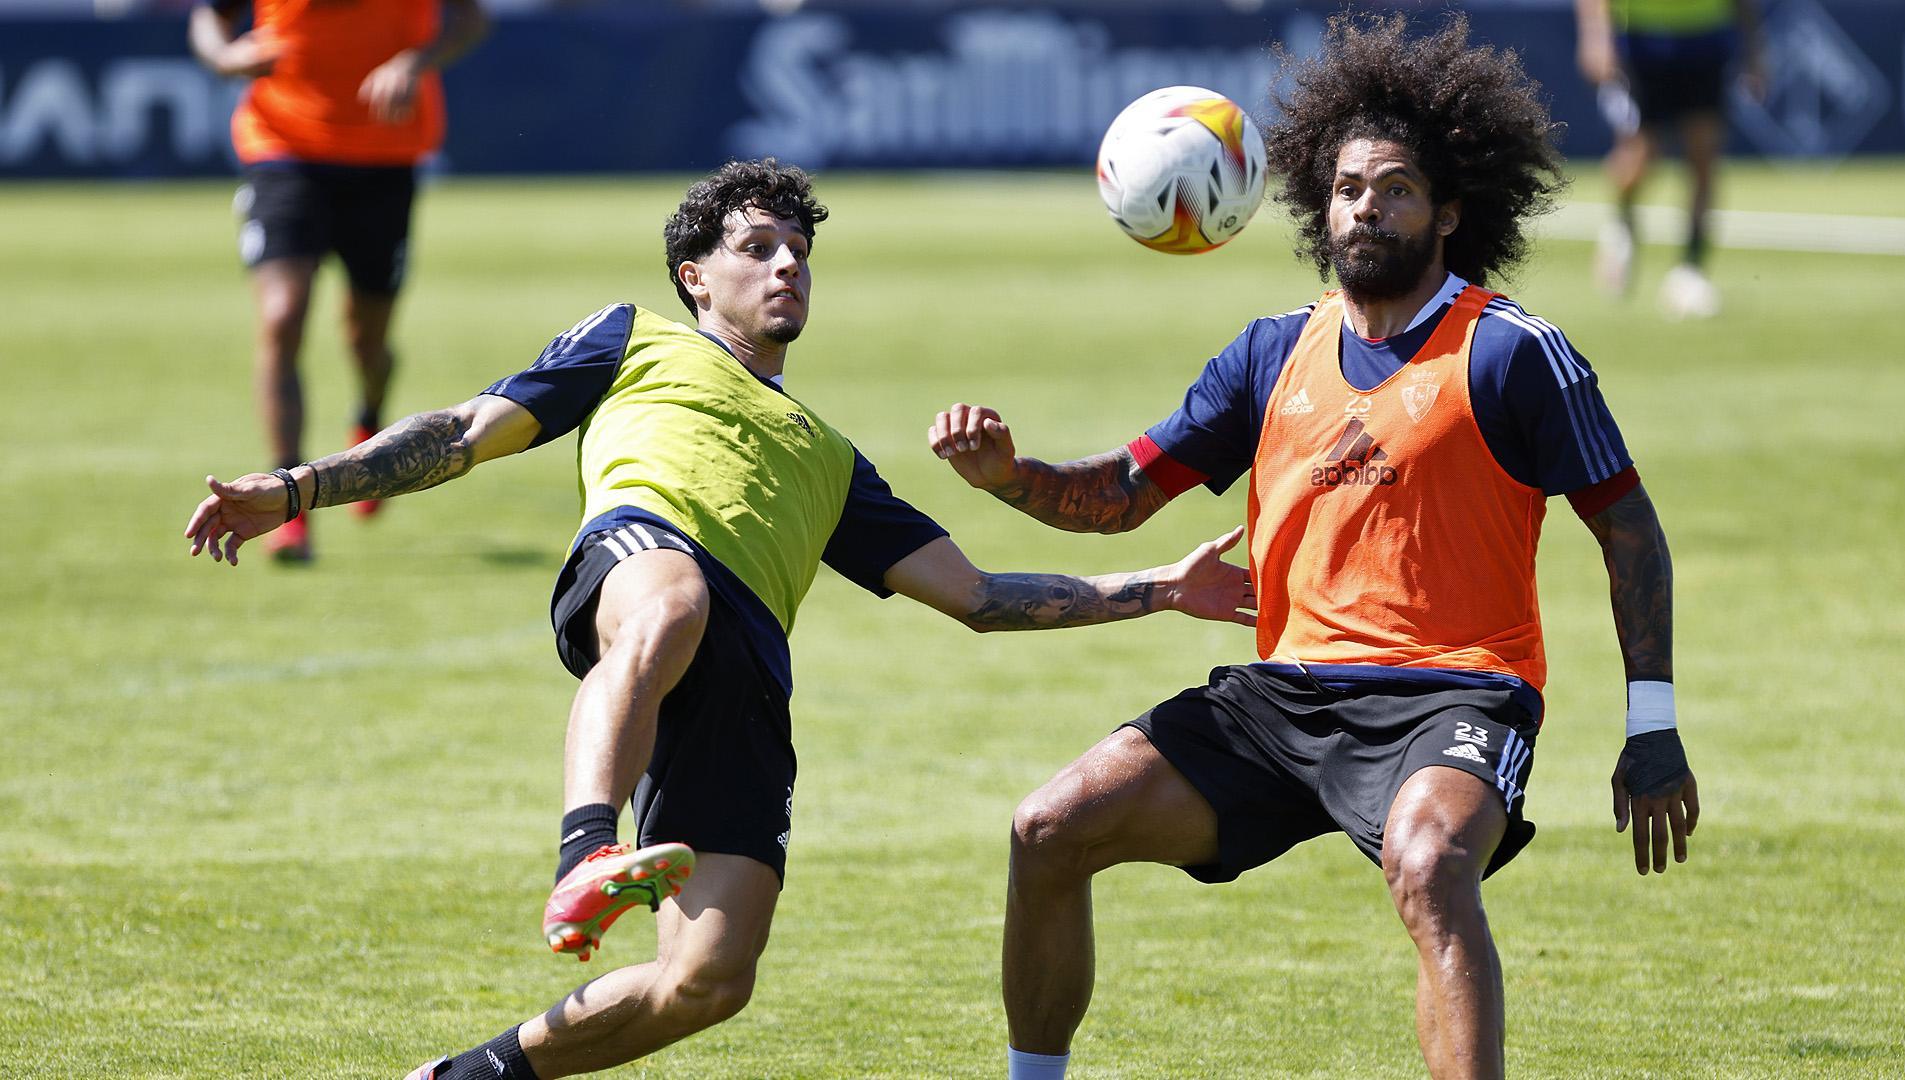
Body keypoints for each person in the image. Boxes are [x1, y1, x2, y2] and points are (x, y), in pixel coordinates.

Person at [184, 160, 1257, 1080]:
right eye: (759, 247)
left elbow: (976, 597)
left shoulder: (834, 459)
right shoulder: (632, 339)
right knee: (674, 599)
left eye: (800, 250)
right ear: (697, 276)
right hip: (643, 564)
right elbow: (463, 431)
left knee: (709, 981)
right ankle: (583, 853)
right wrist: (297, 487)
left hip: (745, 679)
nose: (788, 264)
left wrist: (1160, 587)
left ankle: (470, 1072)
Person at [928, 15, 1698, 1079]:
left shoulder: (1512, 350)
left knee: (1429, 868)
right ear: (1313, 202)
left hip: (1455, 695)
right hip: (1281, 699)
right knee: (1047, 828)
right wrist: (1010, 477)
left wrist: (1650, 724)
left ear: (1450, 211)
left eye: (1394, 188)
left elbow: (1627, 525)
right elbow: (1120, 495)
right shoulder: (1272, 351)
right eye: (1347, 189)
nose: (1366, 208)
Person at [189, 0, 489, 560]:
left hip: (384, 155)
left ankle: (368, 421)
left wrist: (414, 62)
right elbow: (211, 17)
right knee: (281, 318)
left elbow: (470, 19)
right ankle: (285, 503)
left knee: (366, 341)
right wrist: (226, 57)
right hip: (283, 149)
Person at [1575, 0, 1765, 318]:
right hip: (1640, 43)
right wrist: (1596, 36)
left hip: (1707, 41)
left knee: (1704, 158)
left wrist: (1755, 51)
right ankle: (1622, 222)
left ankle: (1690, 269)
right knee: (1641, 155)